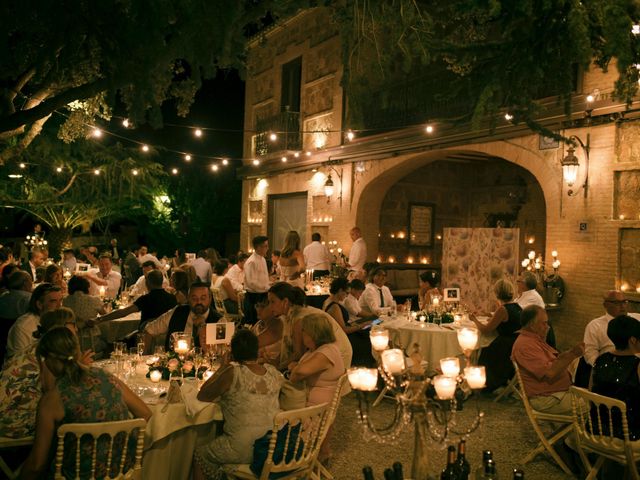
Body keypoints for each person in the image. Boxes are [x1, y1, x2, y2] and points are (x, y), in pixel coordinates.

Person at [19, 327, 151, 480]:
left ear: (50, 360)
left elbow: (36, 465)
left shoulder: (52, 400)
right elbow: (145, 413)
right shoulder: (107, 377)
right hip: (121, 473)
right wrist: (119, 441)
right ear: (77, 351)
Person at [193, 329, 283, 480]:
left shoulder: (232, 372)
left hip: (243, 449)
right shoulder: (273, 372)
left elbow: (203, 395)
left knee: (200, 455)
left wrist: (223, 366)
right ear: (257, 351)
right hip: (272, 446)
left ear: (232, 353)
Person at [0, 308, 93, 439]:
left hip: (12, 414)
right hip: (13, 421)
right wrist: (79, 366)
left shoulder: (42, 346)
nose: (77, 330)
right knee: (77, 413)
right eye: (73, 324)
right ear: (61, 328)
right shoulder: (48, 353)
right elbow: (53, 390)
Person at [288, 313, 345, 464]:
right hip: (319, 406)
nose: (302, 335)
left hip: (313, 411)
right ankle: (323, 451)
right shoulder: (324, 348)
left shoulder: (325, 353)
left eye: (304, 332)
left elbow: (298, 373)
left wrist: (294, 368)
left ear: (312, 333)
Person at [511, 305, 585, 415]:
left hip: (555, 393)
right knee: (595, 403)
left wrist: (570, 352)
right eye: (544, 323)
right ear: (532, 325)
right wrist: (573, 355)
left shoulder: (534, 340)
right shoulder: (525, 346)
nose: (548, 327)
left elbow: (553, 361)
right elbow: (550, 372)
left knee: (596, 394)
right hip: (546, 398)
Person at [268, 282, 352, 372]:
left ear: (285, 302)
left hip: (336, 355)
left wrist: (277, 367)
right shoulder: (291, 314)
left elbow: (298, 354)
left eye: (272, 302)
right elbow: (289, 346)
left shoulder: (298, 319)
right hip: (326, 352)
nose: (270, 306)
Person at [591, 314, 640, 440]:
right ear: (633, 340)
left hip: (597, 427)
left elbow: (590, 391)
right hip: (629, 433)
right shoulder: (637, 365)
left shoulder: (600, 360)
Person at [471, 279, 522, 392]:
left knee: (483, 351)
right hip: (517, 343)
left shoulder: (503, 309)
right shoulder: (517, 306)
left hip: (505, 346)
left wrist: (474, 319)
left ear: (497, 293)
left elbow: (486, 330)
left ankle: (485, 385)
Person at [142, 282, 223, 352]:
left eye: (203, 298)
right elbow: (149, 330)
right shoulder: (177, 312)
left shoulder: (219, 321)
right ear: (188, 298)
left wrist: (202, 327)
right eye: (194, 298)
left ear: (210, 299)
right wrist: (145, 355)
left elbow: (221, 352)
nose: (199, 302)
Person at [94, 269, 178, 331]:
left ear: (147, 282)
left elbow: (124, 312)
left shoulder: (146, 299)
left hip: (146, 336)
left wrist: (100, 319)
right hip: (166, 334)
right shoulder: (173, 298)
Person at [323, 277, 374, 366]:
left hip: (341, 332)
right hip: (342, 338)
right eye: (346, 293)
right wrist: (361, 325)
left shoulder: (328, 301)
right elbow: (344, 330)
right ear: (339, 290)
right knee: (370, 339)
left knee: (370, 328)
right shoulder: (334, 307)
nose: (347, 296)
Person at [583, 290, 640, 367]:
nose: (622, 306)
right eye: (617, 303)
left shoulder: (637, 318)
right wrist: (602, 367)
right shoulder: (595, 326)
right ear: (605, 305)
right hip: (610, 367)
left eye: (624, 302)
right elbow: (589, 351)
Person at [6, 283, 63, 359]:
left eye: (61, 301)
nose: (60, 306)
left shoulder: (58, 320)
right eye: (53, 301)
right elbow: (19, 361)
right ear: (39, 304)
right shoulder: (24, 327)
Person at [63, 276, 107, 355]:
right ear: (86, 287)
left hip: (72, 340)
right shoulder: (94, 300)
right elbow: (105, 316)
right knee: (108, 342)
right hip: (92, 341)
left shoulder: (65, 301)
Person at [243, 237, 271, 325]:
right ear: (258, 247)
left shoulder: (262, 259)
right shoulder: (251, 262)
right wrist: (267, 287)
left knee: (263, 321)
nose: (268, 248)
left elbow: (264, 278)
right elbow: (251, 283)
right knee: (254, 322)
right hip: (253, 297)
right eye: (265, 246)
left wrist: (269, 284)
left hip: (263, 294)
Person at [252, 301, 283, 366]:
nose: (258, 309)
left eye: (262, 306)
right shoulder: (258, 325)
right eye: (257, 306)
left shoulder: (279, 325)